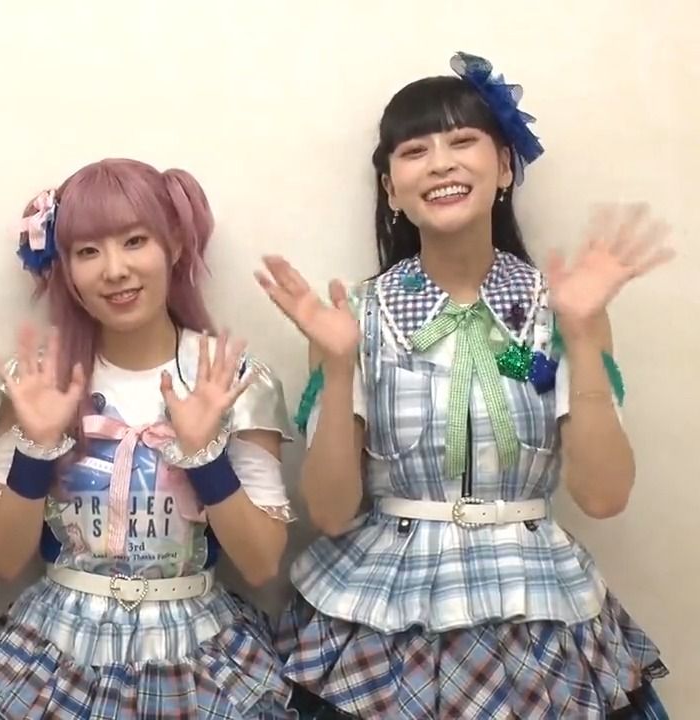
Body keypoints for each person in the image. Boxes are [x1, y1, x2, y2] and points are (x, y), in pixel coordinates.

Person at [260, 53, 673, 718]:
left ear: (505, 166)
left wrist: (580, 335)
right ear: (391, 189)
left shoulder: (565, 306)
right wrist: (337, 367)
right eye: (415, 150)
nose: (441, 163)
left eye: (462, 141)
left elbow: (603, 496)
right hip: (384, 614)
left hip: (537, 611)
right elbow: (331, 514)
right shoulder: (353, 317)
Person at [0, 158, 297, 718]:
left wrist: (205, 457)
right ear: (66, 267)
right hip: (59, 645)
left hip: (193, 643)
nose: (114, 270)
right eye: (88, 251)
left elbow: (262, 564)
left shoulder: (229, 377)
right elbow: (1, 559)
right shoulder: (39, 379)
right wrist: (35, 449)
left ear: (175, 245)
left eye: (135, 241)